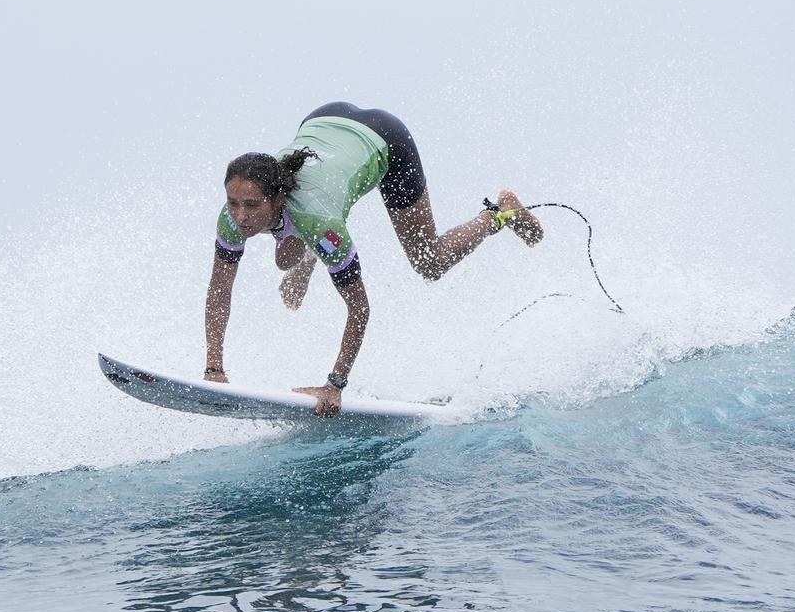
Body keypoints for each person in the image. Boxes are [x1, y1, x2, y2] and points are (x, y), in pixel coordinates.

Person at [204, 102, 543, 417]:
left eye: (251, 206)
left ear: (277, 196)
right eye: (234, 203)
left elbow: (360, 308)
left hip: (386, 141)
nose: (241, 216)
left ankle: (499, 214)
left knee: (430, 262)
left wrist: (334, 385)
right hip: (321, 121)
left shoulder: (320, 221)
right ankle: (307, 256)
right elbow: (220, 288)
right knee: (304, 239)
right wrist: (214, 368)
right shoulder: (233, 215)